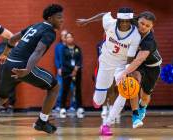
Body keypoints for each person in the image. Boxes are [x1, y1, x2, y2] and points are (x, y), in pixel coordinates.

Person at [0, 4, 64, 135]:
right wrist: (27, 70)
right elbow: (38, 51)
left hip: (8, 64)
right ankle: (42, 122)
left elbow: (12, 38)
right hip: (23, 66)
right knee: (54, 87)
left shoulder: (35, 25)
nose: (62, 20)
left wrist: (5, 53)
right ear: (50, 18)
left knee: (1, 97)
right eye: (59, 17)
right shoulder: (49, 32)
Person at [76, 7, 141, 135]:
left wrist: (126, 74)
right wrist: (87, 21)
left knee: (125, 89)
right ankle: (98, 99)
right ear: (118, 19)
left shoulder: (135, 36)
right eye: (122, 20)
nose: (124, 23)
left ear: (131, 20)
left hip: (121, 65)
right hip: (105, 63)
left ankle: (106, 125)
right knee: (99, 101)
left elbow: (130, 58)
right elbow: (104, 14)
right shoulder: (110, 23)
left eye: (127, 21)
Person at [103, 11, 162, 135]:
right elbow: (108, 16)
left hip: (152, 66)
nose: (143, 27)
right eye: (142, 23)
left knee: (145, 96)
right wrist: (87, 21)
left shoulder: (149, 41)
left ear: (152, 27)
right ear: (137, 20)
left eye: (147, 26)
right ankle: (135, 115)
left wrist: (124, 72)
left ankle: (142, 107)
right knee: (132, 81)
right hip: (137, 65)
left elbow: (140, 59)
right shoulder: (130, 22)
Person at [60, 32, 84, 117]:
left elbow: (79, 60)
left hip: (77, 72)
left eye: (71, 37)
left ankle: (79, 107)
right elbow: (64, 61)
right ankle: (62, 107)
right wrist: (72, 69)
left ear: (73, 38)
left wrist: (76, 68)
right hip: (67, 72)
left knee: (78, 89)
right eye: (68, 37)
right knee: (65, 89)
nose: (69, 39)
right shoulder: (63, 49)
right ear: (65, 39)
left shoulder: (77, 48)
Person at [52, 29, 76, 114]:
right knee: (59, 88)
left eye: (66, 35)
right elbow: (56, 58)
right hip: (61, 72)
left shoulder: (72, 47)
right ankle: (58, 106)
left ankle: (73, 106)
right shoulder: (58, 46)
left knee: (72, 88)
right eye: (62, 35)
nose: (64, 37)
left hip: (70, 72)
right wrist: (58, 68)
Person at [0, 39, 20, 113]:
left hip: (11, 68)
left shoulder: (14, 44)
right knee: (2, 87)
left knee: (11, 87)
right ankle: (2, 105)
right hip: (2, 68)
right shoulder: (0, 45)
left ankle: (11, 105)